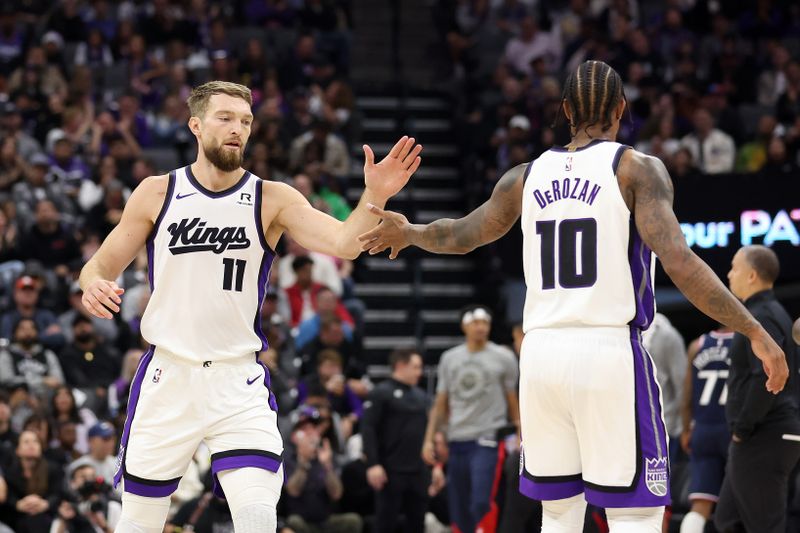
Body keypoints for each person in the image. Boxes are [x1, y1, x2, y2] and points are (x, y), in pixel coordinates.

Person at [358, 60, 788, 532]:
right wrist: (754, 329)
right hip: (606, 351)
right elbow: (681, 264)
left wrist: (412, 232)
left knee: (559, 514)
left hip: (541, 358)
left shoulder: (525, 176)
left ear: (564, 110)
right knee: (635, 514)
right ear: (622, 108)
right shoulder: (635, 169)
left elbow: (463, 234)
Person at [78, 80, 421, 533]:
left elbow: (344, 243)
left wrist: (375, 195)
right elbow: (100, 264)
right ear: (196, 126)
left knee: (258, 516)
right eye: (225, 118)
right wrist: (92, 284)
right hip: (169, 376)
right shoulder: (157, 192)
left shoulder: (271, 198)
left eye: (245, 121)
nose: (237, 129)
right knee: (138, 523)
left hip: (236, 379)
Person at [714, 245, 800, 533]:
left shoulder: (762, 318)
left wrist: (742, 429)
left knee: (765, 525)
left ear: (751, 276)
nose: (728, 274)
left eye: (734, 267)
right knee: (728, 520)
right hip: (763, 434)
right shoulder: (770, 313)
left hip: (764, 434)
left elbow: (764, 381)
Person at [422, 305, 519, 533]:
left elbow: (512, 399)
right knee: (459, 507)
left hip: (487, 439)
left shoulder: (504, 357)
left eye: (485, 323)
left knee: (481, 501)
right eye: (476, 323)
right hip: (457, 440)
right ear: (464, 326)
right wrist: (429, 440)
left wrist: (520, 429)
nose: (481, 328)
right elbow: (441, 404)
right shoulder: (449, 359)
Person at [360, 348, 429, 533]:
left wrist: (435, 466)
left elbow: (430, 433)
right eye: (415, 367)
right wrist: (373, 463)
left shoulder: (422, 396)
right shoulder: (381, 392)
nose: (419, 372)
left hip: (418, 471)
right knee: (385, 523)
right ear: (400, 365)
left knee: (417, 524)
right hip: (390, 471)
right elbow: (368, 428)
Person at [678, 327, 733, 533]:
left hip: (702, 429)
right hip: (732, 431)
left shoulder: (697, 345)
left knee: (701, 504)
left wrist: (686, 429)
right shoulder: (748, 341)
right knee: (741, 502)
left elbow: (687, 395)